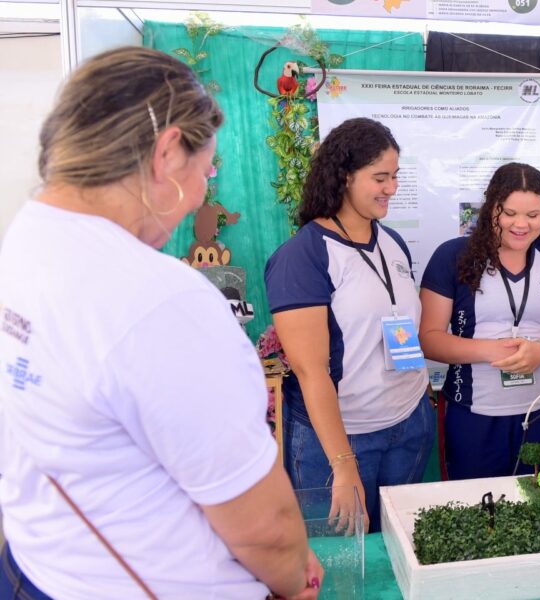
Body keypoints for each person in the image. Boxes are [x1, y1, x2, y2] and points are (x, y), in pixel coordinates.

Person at [0, 47, 320, 599]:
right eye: (207, 169)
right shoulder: (157, 297)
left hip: (40, 566)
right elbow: (264, 527)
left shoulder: (27, 236)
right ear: (168, 153)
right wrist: (294, 582)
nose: (201, 191)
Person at [265, 117, 433, 533]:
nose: (391, 188)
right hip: (342, 441)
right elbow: (310, 370)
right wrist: (342, 465)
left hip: (408, 424)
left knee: (398, 551)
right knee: (340, 567)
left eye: (395, 176)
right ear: (344, 177)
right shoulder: (302, 256)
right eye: (379, 177)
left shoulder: (392, 242)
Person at [419, 162, 540, 480]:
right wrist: (491, 351)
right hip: (475, 417)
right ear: (491, 208)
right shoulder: (453, 256)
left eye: (533, 215)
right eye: (509, 213)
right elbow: (428, 337)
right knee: (478, 516)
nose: (520, 224)